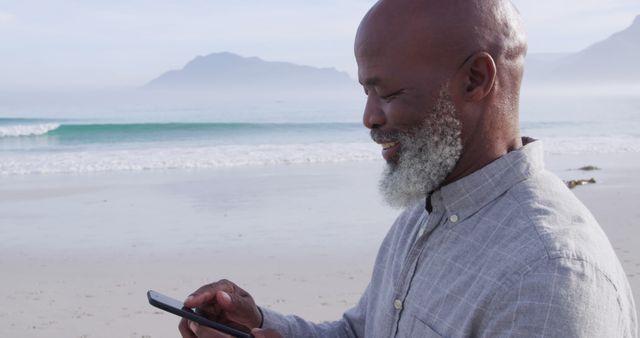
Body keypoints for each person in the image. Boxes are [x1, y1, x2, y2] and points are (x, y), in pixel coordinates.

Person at [179, 0, 638, 337]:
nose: (370, 118)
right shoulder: (425, 213)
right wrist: (258, 324)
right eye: (366, 93)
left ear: (476, 79)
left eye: (389, 93)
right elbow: (361, 332)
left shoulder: (548, 277)